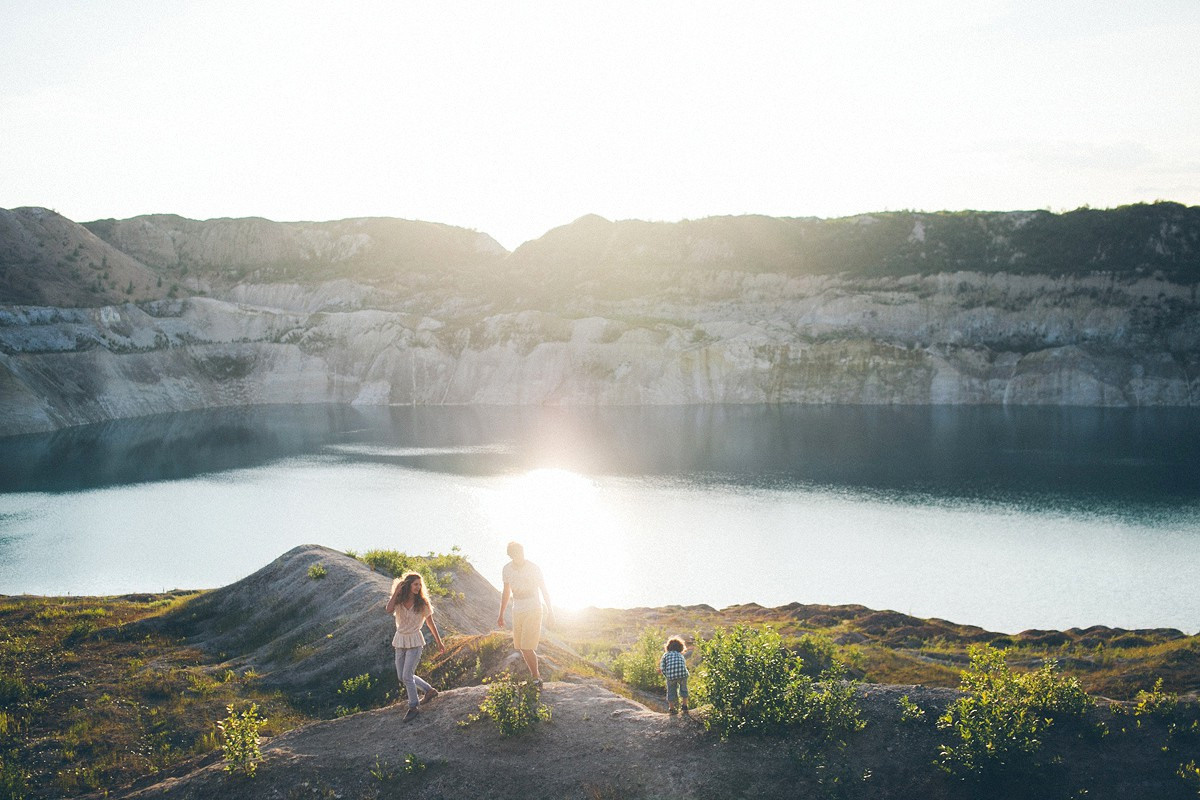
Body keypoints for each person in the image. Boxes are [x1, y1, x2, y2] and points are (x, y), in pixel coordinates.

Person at [385, 571, 446, 721]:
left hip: (415, 642)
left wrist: (439, 641)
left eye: (420, 584)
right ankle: (429, 690)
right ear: (408, 585)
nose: (418, 587)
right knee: (402, 676)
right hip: (400, 641)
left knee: (407, 675)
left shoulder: (423, 603)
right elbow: (388, 609)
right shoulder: (398, 600)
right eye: (415, 584)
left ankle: (413, 706)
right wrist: (396, 592)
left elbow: (431, 624)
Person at [496, 541, 554, 687]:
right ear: (511, 555)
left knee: (528, 646)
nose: (520, 556)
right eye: (516, 554)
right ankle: (535, 676)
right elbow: (506, 592)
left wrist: (550, 612)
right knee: (521, 646)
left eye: (521, 552)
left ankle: (536, 678)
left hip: (533, 607)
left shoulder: (533, 568)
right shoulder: (507, 569)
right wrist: (501, 613)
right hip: (518, 609)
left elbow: (544, 589)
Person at [658, 636, 690, 714]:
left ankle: (672, 709)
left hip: (671, 675)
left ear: (668, 647)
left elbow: (662, 667)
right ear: (681, 647)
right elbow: (683, 665)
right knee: (684, 689)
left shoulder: (666, 655)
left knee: (671, 691)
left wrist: (667, 675)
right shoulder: (680, 655)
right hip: (683, 674)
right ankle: (685, 706)